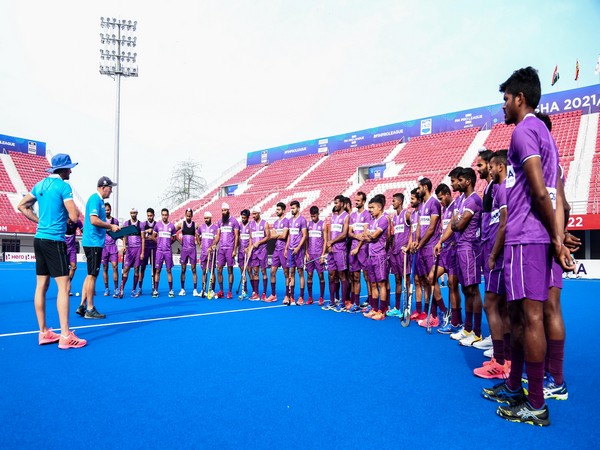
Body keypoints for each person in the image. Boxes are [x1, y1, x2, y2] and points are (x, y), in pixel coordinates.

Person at [481, 67, 573, 426]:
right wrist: (558, 233)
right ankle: (518, 388)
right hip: (535, 236)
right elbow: (556, 193)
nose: (502, 106)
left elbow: (538, 190)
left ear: (520, 98)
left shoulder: (523, 131)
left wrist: (554, 236)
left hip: (525, 237)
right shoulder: (544, 135)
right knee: (520, 317)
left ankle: (535, 402)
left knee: (530, 317)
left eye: (505, 99)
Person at [17, 153, 86, 349]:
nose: (71, 171)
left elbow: (22, 206)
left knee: (41, 286)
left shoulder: (40, 185)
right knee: (64, 287)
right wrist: (71, 215)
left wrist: (40, 221)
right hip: (55, 241)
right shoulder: (64, 187)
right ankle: (65, 336)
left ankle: (44, 331)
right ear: (63, 169)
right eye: (69, 168)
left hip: (39, 239)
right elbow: (73, 216)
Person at [474, 150, 511, 379]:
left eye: (483, 165)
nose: (483, 170)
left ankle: (501, 360)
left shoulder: (502, 188)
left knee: (491, 304)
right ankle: (505, 357)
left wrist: (494, 253)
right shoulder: (495, 189)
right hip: (494, 250)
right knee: (502, 306)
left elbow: (504, 222)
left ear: (495, 166)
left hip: (499, 254)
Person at [77, 176, 120, 319]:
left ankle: (82, 305)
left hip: (94, 241)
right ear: (103, 187)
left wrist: (111, 229)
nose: (111, 191)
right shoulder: (95, 199)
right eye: (110, 188)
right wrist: (110, 225)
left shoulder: (99, 201)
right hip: (93, 243)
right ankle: (90, 308)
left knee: (90, 275)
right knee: (92, 276)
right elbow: (93, 220)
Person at [449, 168, 483, 345]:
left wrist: (456, 221)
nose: (457, 182)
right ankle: (468, 328)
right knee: (465, 289)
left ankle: (476, 332)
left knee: (473, 289)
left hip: (470, 248)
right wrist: (455, 221)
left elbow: (458, 224)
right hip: (461, 247)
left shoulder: (474, 200)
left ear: (468, 181)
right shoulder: (461, 200)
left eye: (460, 180)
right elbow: (454, 223)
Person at [434, 176, 462, 334]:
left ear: (446, 194)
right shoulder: (443, 209)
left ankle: (456, 321)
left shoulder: (456, 205)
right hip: (444, 251)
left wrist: (440, 241)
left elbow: (452, 226)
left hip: (453, 250)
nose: (440, 202)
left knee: (452, 284)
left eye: (441, 198)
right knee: (431, 277)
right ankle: (444, 310)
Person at [413, 177, 442, 325]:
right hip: (422, 247)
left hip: (430, 247)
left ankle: (438, 314)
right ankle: (431, 313)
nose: (418, 190)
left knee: (432, 280)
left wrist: (421, 242)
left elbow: (431, 228)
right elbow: (419, 226)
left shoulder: (434, 203)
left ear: (425, 187)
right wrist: (417, 241)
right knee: (425, 280)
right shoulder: (421, 206)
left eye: (419, 188)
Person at [361, 196, 389, 320]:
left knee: (381, 284)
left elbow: (373, 236)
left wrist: (369, 235)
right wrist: (369, 235)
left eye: (372, 208)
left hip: (379, 255)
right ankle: (374, 308)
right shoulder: (372, 221)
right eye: (369, 208)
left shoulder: (383, 220)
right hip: (370, 255)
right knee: (373, 284)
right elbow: (365, 235)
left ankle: (381, 311)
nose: (370, 210)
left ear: (379, 207)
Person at [322, 195, 349, 312]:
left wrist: (332, 241)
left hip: (341, 250)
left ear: (342, 204)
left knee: (342, 275)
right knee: (331, 275)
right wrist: (329, 243)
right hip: (331, 250)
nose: (335, 205)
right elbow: (330, 232)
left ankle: (343, 303)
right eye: (334, 203)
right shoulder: (333, 217)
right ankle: (332, 301)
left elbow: (344, 233)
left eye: (337, 203)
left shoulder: (346, 216)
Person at [388, 192, 411, 317]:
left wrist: (408, 245)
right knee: (397, 280)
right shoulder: (394, 218)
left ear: (400, 202)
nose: (392, 203)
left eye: (394, 201)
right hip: (395, 252)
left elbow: (414, 228)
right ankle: (397, 307)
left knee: (406, 280)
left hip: (404, 253)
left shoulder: (407, 214)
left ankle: (407, 307)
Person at [348, 191, 371, 313]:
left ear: (363, 201)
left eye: (358, 200)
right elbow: (350, 232)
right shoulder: (352, 215)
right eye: (355, 200)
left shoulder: (367, 214)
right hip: (354, 249)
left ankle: (370, 302)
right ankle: (356, 303)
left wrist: (358, 246)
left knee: (367, 276)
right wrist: (356, 237)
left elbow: (366, 233)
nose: (356, 202)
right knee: (355, 277)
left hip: (363, 249)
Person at [212, 202, 240, 299]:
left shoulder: (234, 221)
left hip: (230, 249)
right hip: (221, 249)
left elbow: (236, 236)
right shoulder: (220, 222)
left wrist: (234, 250)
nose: (223, 212)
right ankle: (221, 291)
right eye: (222, 210)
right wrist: (213, 244)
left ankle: (229, 291)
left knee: (230, 270)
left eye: (225, 210)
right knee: (219, 269)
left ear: (228, 211)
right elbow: (218, 236)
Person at [119, 207, 145, 298]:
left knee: (136, 269)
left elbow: (142, 238)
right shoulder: (127, 223)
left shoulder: (140, 224)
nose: (133, 214)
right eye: (132, 213)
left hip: (138, 249)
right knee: (126, 269)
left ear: (137, 213)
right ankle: (121, 289)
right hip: (130, 249)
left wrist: (142, 252)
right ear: (130, 213)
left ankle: (133, 290)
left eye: (134, 213)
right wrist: (124, 246)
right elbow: (124, 236)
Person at [285, 200, 307, 305]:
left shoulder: (302, 220)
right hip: (290, 250)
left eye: (293, 208)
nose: (292, 210)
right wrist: (286, 248)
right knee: (291, 272)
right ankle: (291, 297)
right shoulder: (289, 221)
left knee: (300, 272)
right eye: (291, 208)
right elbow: (289, 235)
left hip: (298, 251)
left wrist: (298, 247)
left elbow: (304, 235)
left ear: (298, 208)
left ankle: (301, 297)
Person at [152, 208, 177, 298]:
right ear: (161, 215)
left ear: (168, 215)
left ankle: (171, 290)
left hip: (168, 252)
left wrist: (169, 244)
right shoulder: (157, 225)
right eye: (163, 215)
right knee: (157, 270)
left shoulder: (172, 226)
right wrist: (158, 243)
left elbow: (174, 238)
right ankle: (155, 290)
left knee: (169, 270)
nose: (164, 216)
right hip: (159, 251)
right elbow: (153, 236)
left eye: (166, 215)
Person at [268, 202, 289, 303]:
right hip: (276, 250)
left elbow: (284, 236)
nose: (277, 211)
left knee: (286, 273)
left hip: (284, 249)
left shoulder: (286, 222)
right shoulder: (275, 223)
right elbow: (272, 236)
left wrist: (277, 234)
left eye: (279, 210)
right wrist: (278, 234)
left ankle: (287, 295)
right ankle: (273, 295)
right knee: (272, 272)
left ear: (283, 211)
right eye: (276, 210)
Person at [248, 206, 270, 300]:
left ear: (259, 213)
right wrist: (249, 248)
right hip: (254, 252)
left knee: (263, 271)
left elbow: (268, 237)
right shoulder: (251, 225)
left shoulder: (265, 223)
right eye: (252, 214)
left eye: (255, 214)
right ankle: (256, 293)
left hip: (262, 251)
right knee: (255, 271)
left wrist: (259, 242)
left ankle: (264, 293)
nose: (253, 216)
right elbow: (251, 238)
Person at [306, 205, 326, 305]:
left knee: (320, 275)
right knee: (309, 275)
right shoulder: (308, 225)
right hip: (310, 254)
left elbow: (326, 240)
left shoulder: (323, 224)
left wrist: (323, 254)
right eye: (312, 216)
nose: (313, 218)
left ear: (318, 214)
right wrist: (306, 252)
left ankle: (321, 297)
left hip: (319, 254)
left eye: (314, 216)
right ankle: (310, 297)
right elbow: (306, 239)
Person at [177, 208, 199, 296]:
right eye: (187, 215)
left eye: (190, 215)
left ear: (192, 215)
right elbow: (172, 232)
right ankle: (182, 289)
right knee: (183, 269)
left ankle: (195, 290)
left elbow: (200, 234)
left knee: (194, 269)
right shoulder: (181, 224)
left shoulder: (195, 225)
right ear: (185, 215)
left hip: (192, 250)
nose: (188, 216)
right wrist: (180, 242)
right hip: (184, 250)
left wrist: (199, 242)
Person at [101, 202, 120, 297]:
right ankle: (106, 288)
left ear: (110, 210)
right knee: (105, 268)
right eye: (105, 210)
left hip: (113, 247)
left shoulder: (115, 221)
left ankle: (116, 289)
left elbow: (118, 233)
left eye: (108, 210)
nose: (106, 211)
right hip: (104, 247)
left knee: (115, 267)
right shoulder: (101, 221)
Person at [198, 211, 218, 297]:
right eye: (205, 218)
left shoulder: (215, 227)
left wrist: (213, 245)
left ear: (211, 218)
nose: (206, 220)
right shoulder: (201, 227)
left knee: (211, 271)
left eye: (207, 218)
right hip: (203, 253)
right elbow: (197, 235)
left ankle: (212, 290)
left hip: (212, 253)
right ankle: (203, 289)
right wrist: (199, 244)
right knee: (203, 271)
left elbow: (217, 238)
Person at [139, 208, 158, 295]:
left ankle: (154, 288)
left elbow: (159, 237)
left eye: (151, 215)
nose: (149, 217)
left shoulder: (157, 225)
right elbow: (139, 234)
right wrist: (147, 231)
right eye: (148, 215)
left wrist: (152, 238)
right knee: (142, 268)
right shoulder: (143, 224)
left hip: (154, 248)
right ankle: (139, 288)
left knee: (154, 269)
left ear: (154, 215)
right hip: (145, 248)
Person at [65, 217, 83, 295]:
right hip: (63, 247)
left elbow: (84, 231)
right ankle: (64, 288)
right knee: (65, 269)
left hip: (72, 247)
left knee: (74, 267)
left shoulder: (77, 222)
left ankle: (67, 284)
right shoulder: (62, 221)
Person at [237, 209, 252, 298]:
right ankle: (244, 290)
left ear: (247, 217)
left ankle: (254, 291)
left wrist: (249, 248)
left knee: (250, 271)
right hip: (241, 252)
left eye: (244, 217)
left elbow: (251, 238)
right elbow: (238, 238)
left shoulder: (250, 226)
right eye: (242, 217)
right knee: (242, 271)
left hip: (248, 252)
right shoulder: (239, 226)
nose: (243, 219)